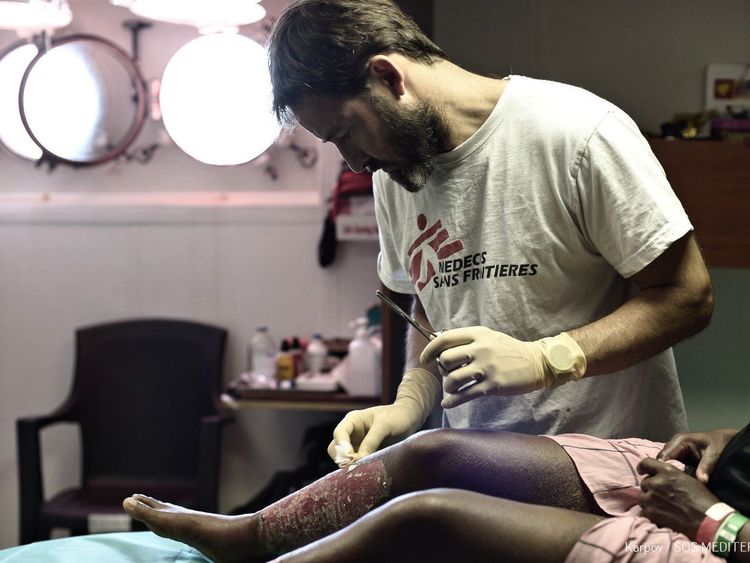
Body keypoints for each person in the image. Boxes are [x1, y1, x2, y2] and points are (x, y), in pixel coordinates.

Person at [267, 0, 714, 463]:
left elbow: (688, 296)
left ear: (388, 76)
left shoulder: (575, 133)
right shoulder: (395, 174)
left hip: (614, 475)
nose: (354, 163)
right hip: (481, 473)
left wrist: (548, 359)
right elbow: (433, 301)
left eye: (345, 132)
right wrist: (409, 400)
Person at [118, 424, 750, 562]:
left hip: (725, 540)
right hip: (698, 478)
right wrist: (726, 438)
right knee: (433, 454)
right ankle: (252, 533)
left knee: (424, 517)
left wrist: (715, 521)